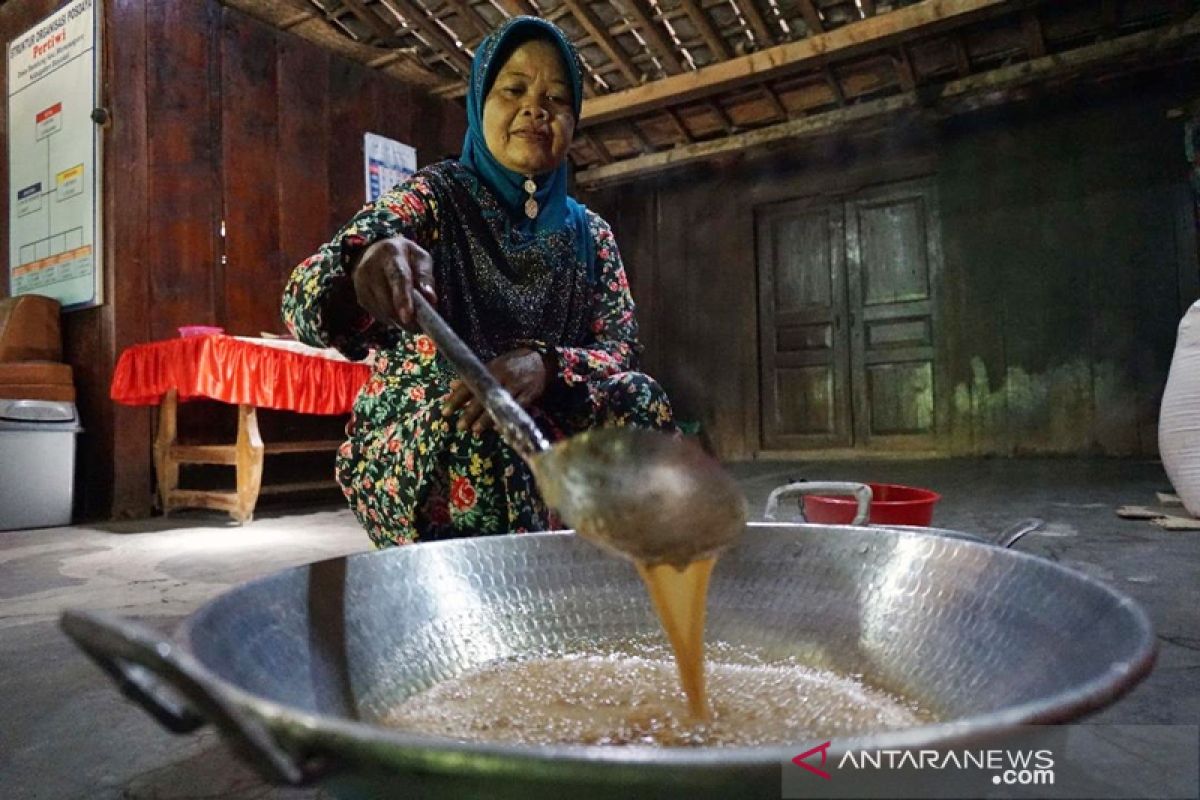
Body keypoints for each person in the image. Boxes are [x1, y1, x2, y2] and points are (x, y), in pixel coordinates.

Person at [282, 16, 675, 548]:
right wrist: (363, 269)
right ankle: (492, 600)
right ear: (479, 104)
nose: (536, 109)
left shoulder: (590, 234)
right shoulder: (433, 198)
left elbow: (619, 349)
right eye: (514, 90)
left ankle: (601, 578)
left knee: (641, 399)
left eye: (557, 99)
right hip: (436, 437)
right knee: (489, 424)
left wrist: (545, 363)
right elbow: (302, 300)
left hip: (545, 427)